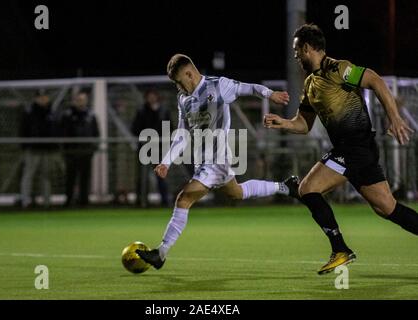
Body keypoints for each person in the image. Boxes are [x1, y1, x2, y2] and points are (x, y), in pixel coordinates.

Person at [264, 23, 417, 275]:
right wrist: (283, 123)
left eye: (296, 50)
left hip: (355, 147)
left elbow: (376, 80)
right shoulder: (310, 84)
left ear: (306, 48)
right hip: (354, 152)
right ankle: (341, 249)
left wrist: (395, 117)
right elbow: (303, 125)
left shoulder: (338, 68)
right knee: (387, 208)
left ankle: (340, 249)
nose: (295, 56)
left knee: (307, 189)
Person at [136, 53, 296, 269]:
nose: (178, 87)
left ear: (190, 74)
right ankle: (284, 186)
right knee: (236, 193)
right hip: (203, 162)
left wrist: (271, 94)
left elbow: (250, 88)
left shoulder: (219, 86)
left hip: (217, 160)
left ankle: (161, 253)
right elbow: (183, 133)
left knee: (183, 200)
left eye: (179, 82)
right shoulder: (183, 99)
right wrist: (166, 161)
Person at [132, 89, 172, 207]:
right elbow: (135, 128)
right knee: (141, 177)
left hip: (159, 149)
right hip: (144, 148)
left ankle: (165, 201)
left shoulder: (164, 111)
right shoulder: (141, 111)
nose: (151, 98)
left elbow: (170, 127)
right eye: (149, 96)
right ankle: (141, 201)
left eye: (153, 95)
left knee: (161, 175)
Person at [19, 90, 58, 208]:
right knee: (28, 175)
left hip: (47, 149)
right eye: (40, 97)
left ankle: (47, 202)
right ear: (35, 99)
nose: (43, 99)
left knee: (47, 176)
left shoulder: (52, 112)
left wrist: (54, 146)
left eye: (45, 97)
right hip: (32, 149)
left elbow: (56, 130)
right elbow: (23, 130)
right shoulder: (29, 112)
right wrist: (24, 146)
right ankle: (25, 201)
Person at [60, 92, 100, 206]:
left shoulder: (91, 115)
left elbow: (96, 133)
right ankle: (68, 200)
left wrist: (93, 148)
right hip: (71, 151)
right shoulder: (67, 115)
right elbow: (63, 132)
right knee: (70, 177)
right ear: (74, 101)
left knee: (85, 177)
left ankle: (84, 201)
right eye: (78, 99)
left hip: (86, 151)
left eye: (83, 99)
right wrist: (65, 148)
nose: (81, 102)